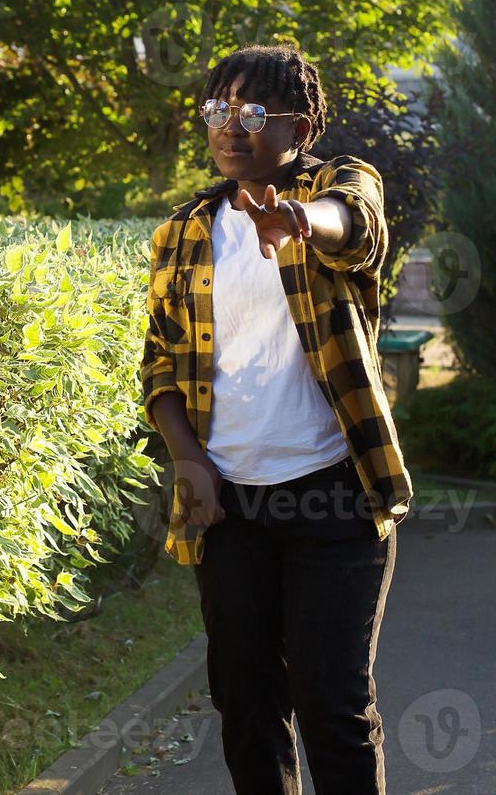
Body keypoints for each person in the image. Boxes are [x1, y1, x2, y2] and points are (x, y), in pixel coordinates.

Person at [138, 43, 415, 794]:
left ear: (302, 124)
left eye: (254, 112)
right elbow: (160, 361)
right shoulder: (184, 231)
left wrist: (298, 218)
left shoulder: (340, 184)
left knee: (334, 707)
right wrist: (189, 460)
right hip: (231, 506)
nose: (231, 127)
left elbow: (355, 226)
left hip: (334, 495)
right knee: (245, 704)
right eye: (218, 110)